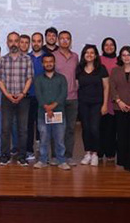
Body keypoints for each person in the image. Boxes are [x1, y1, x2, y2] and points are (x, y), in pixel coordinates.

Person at [0, 32, 33, 166]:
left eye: (16, 41)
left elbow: (29, 78)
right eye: (10, 41)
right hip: (7, 98)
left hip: (23, 98)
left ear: (19, 42)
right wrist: (8, 95)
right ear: (7, 43)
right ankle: (5, 155)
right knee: (5, 128)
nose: (13, 44)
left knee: (23, 129)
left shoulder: (27, 59)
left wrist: (23, 93)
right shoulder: (2, 60)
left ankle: (22, 156)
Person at [33, 54, 70, 170]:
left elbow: (63, 94)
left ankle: (61, 160)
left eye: (51, 61)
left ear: (54, 63)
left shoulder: (61, 78)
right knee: (43, 138)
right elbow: (38, 95)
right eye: (46, 62)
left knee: (59, 139)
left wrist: (52, 107)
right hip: (42, 114)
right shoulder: (38, 79)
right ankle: (43, 160)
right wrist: (46, 107)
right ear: (42, 64)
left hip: (59, 113)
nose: (48, 64)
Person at [75, 44, 108, 167]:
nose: (89, 55)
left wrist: (104, 104)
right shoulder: (79, 69)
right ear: (84, 55)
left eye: (92, 53)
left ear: (95, 55)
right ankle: (87, 152)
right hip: (83, 103)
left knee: (94, 128)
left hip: (97, 103)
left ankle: (95, 153)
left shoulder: (101, 69)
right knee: (86, 128)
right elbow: (77, 86)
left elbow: (106, 87)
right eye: (87, 52)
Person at [52, 30, 80, 162]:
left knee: (70, 129)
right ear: (58, 41)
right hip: (57, 99)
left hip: (72, 98)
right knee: (56, 128)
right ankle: (55, 156)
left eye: (67, 38)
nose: (64, 41)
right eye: (62, 38)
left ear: (70, 41)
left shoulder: (75, 56)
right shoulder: (53, 56)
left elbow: (77, 76)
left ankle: (68, 156)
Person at [98, 38, 119, 163]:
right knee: (99, 127)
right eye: (106, 45)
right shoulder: (98, 60)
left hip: (115, 99)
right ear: (102, 47)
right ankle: (99, 152)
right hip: (99, 98)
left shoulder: (119, 61)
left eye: (112, 45)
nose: (109, 47)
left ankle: (111, 152)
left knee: (112, 129)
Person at [23, 34, 43, 160]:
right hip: (28, 96)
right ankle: (29, 150)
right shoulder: (26, 58)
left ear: (42, 42)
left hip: (43, 97)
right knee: (28, 125)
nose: (36, 43)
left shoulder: (47, 57)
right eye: (34, 41)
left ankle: (42, 149)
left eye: (39, 41)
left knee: (42, 125)